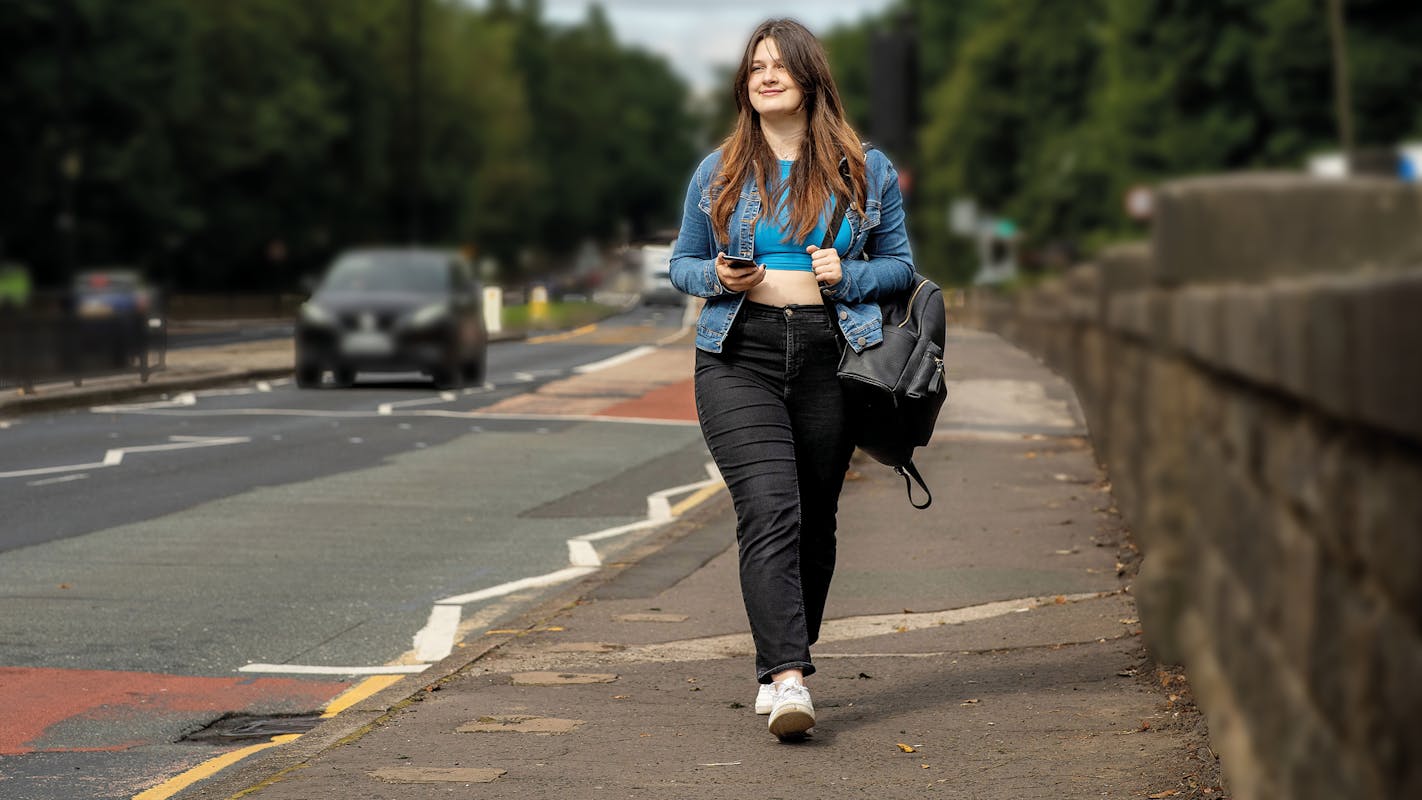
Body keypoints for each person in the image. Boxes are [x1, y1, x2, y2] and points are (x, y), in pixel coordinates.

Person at [668, 18, 914, 740]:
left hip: (831, 355)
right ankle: (787, 678)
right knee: (770, 508)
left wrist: (853, 272)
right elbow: (680, 263)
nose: (766, 76)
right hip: (735, 352)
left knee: (814, 518)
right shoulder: (717, 171)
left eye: (780, 65)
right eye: (755, 68)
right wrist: (715, 272)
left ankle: (783, 657)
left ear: (810, 78)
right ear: (744, 86)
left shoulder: (864, 168)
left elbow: (901, 266)